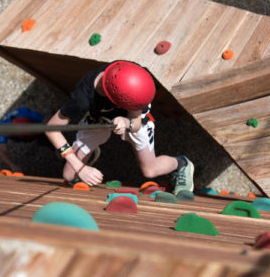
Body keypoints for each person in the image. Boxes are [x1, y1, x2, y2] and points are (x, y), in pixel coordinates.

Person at [44, 60, 195, 193]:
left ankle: (182, 164)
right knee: (69, 175)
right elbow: (52, 129)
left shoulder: (131, 75)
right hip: (98, 117)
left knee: (150, 170)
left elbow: (136, 123)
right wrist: (80, 167)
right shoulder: (83, 98)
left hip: (130, 117)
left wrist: (127, 122)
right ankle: (88, 153)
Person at [0, 107, 45, 173]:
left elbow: (48, 122)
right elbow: (1, 150)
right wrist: (12, 165)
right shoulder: (3, 128)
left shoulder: (27, 113)